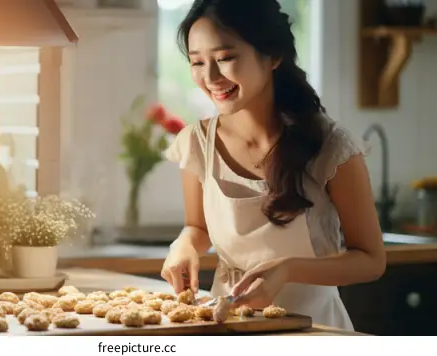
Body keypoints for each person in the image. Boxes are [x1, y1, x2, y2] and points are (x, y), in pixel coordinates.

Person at [161, 0, 385, 331]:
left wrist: (288, 269)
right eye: (197, 62)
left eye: (225, 58)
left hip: (315, 330)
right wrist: (183, 246)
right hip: (226, 325)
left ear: (273, 57)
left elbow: (371, 260)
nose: (209, 77)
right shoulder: (197, 143)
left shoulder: (332, 146)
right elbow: (198, 228)